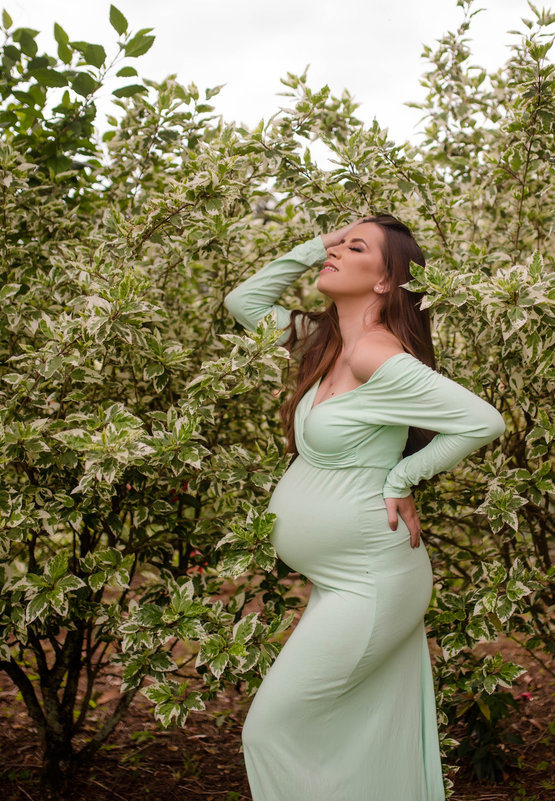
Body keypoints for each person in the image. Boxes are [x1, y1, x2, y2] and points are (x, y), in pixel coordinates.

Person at [224, 215, 505, 801]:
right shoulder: (324, 341)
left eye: (354, 247)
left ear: (384, 280)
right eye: (337, 241)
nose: (335, 251)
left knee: (269, 731)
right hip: (342, 579)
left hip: (370, 582)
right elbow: (242, 302)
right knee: (356, 736)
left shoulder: (374, 353)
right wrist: (315, 246)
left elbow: (483, 422)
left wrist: (403, 476)